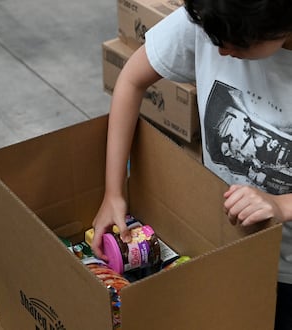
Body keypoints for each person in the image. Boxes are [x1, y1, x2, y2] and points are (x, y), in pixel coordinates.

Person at [91, 1, 292, 328]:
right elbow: (131, 80)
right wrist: (114, 191)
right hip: (217, 242)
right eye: (213, 39)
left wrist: (281, 205)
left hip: (284, 270)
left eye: (237, 44)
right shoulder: (214, 15)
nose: (222, 52)